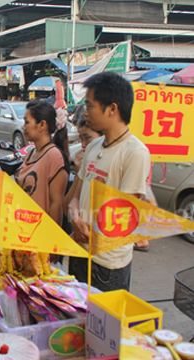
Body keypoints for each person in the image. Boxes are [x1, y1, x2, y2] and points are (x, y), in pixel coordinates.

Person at [67, 72, 151, 292]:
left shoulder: (135, 153)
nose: (86, 112)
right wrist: (74, 216)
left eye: (90, 106)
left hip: (107, 264)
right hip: (79, 251)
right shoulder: (94, 147)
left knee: (103, 323)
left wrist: (82, 227)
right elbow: (76, 196)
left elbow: (123, 215)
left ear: (112, 109)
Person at [15, 101, 69, 229]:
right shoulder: (30, 153)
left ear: (42, 125)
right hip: (25, 227)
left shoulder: (54, 156)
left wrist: (50, 242)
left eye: (27, 122)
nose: (23, 127)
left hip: (41, 232)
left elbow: (56, 203)